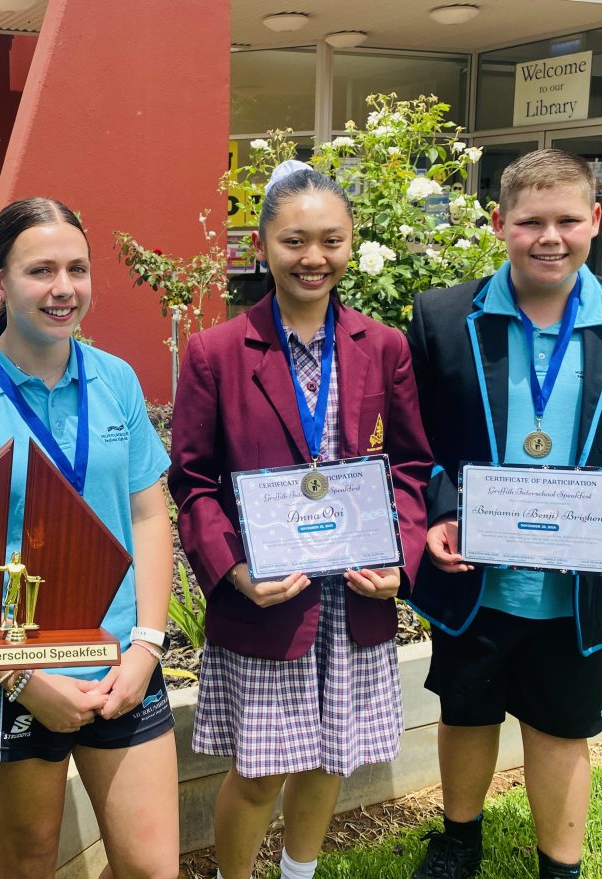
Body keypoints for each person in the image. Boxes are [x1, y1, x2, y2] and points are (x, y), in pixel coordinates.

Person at [406, 149, 602, 879]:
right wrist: (440, 509)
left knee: (564, 723)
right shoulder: (444, 315)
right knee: (467, 711)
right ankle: (457, 840)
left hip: (578, 581)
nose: (549, 236)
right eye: (530, 220)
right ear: (500, 223)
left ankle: (559, 867)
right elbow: (418, 438)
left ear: (596, 221)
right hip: (476, 572)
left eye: (568, 219)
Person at [0, 197, 179, 879]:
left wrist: (146, 646)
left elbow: (147, 515)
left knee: (153, 867)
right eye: (40, 270)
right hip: (5, 677)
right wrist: (23, 677)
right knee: (29, 858)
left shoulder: (117, 381)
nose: (64, 288)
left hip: (119, 665)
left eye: (77, 268)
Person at [168, 161, 431, 879]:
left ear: (350, 244)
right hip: (270, 597)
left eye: (331, 240)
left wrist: (400, 560)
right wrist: (234, 570)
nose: (313, 257)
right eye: (294, 241)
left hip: (355, 593)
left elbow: (410, 466)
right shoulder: (215, 354)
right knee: (258, 774)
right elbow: (191, 480)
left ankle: (298, 873)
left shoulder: (383, 347)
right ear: (261, 246)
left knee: (330, 754)